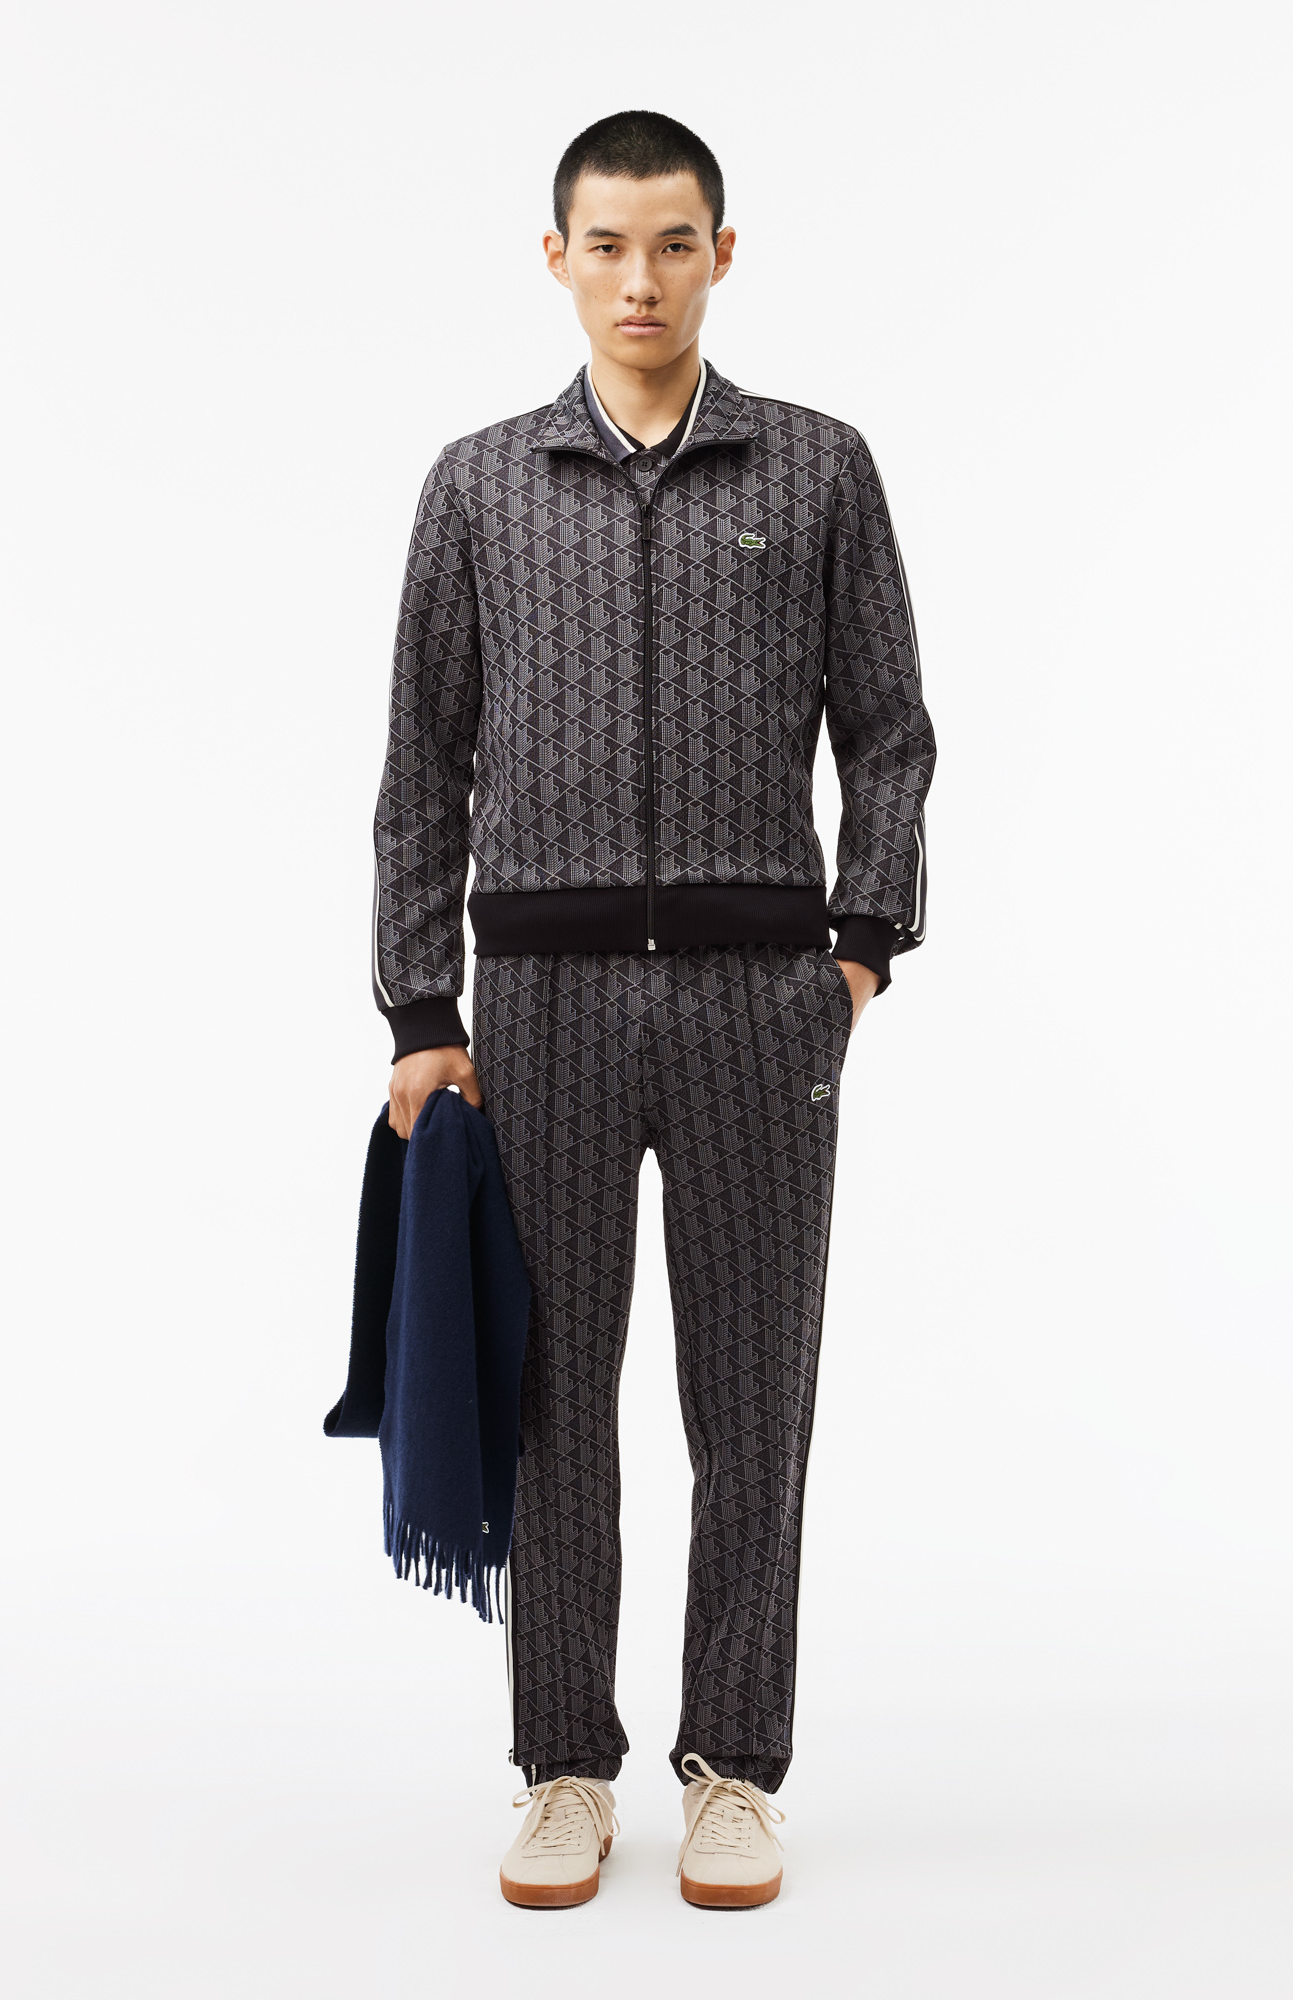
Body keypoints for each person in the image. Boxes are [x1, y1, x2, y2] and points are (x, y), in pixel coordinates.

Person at [369, 109, 936, 1910]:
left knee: (753, 1398)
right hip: (534, 1009)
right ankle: (562, 1765)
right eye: (607, 245)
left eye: (673, 243)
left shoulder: (819, 468)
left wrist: (857, 954)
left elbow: (892, 736)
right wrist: (420, 1008)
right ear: (557, 259)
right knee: (553, 1400)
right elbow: (421, 766)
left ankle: (734, 1767)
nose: (640, 279)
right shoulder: (478, 485)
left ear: (721, 255)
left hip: (762, 1010)